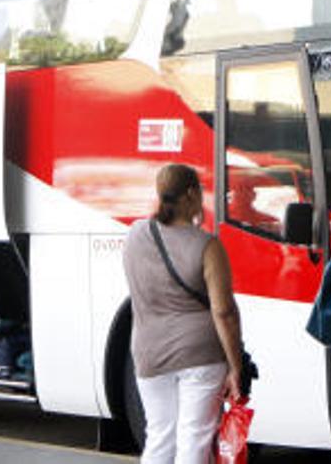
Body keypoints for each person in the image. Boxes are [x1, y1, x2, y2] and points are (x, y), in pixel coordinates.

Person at [123, 163, 243, 464]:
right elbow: (224, 311)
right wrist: (236, 365)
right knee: (194, 439)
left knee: (160, 436)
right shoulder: (207, 245)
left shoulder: (136, 234)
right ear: (191, 194)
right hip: (200, 357)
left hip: (149, 354)